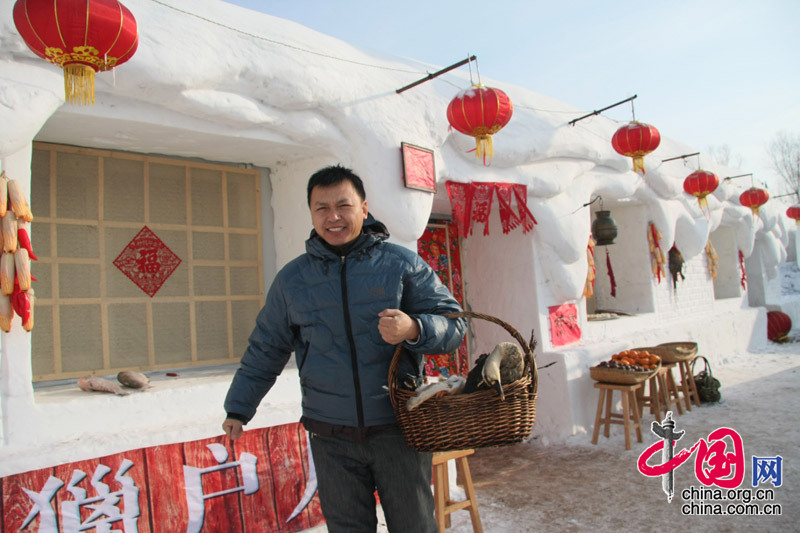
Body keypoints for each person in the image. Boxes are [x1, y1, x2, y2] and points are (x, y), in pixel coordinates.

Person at [222, 164, 466, 532]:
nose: (333, 217)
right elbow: (266, 348)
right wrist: (239, 407)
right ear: (311, 213)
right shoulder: (292, 280)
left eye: (343, 205)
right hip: (330, 436)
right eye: (321, 208)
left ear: (364, 209)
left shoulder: (402, 265)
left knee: (414, 525)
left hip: (397, 429)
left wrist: (414, 327)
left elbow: (455, 325)